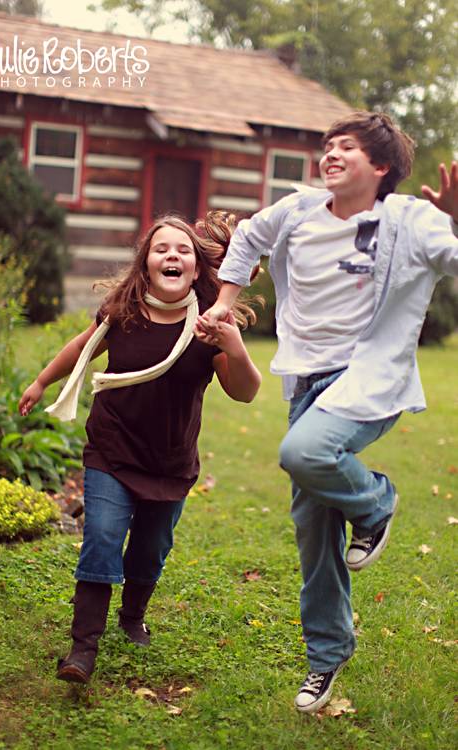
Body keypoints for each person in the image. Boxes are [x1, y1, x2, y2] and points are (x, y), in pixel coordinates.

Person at [196, 111, 458, 713]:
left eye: (349, 148)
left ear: (382, 166)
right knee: (314, 530)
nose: (332, 155)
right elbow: (249, 237)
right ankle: (327, 655)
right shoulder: (298, 209)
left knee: (302, 453)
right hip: (307, 381)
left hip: (369, 378)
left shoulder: (410, 219)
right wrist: (227, 300)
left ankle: (377, 502)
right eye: (329, 146)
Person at [19, 213, 261, 685]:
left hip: (170, 462)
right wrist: (43, 380)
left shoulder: (208, 328)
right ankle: (82, 647)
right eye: (161, 249)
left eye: (183, 250)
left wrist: (235, 347)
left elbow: (245, 391)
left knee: (150, 551)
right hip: (111, 450)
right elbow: (83, 345)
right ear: (145, 264)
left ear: (196, 269)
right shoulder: (123, 313)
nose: (172, 255)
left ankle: (132, 616)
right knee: (103, 538)